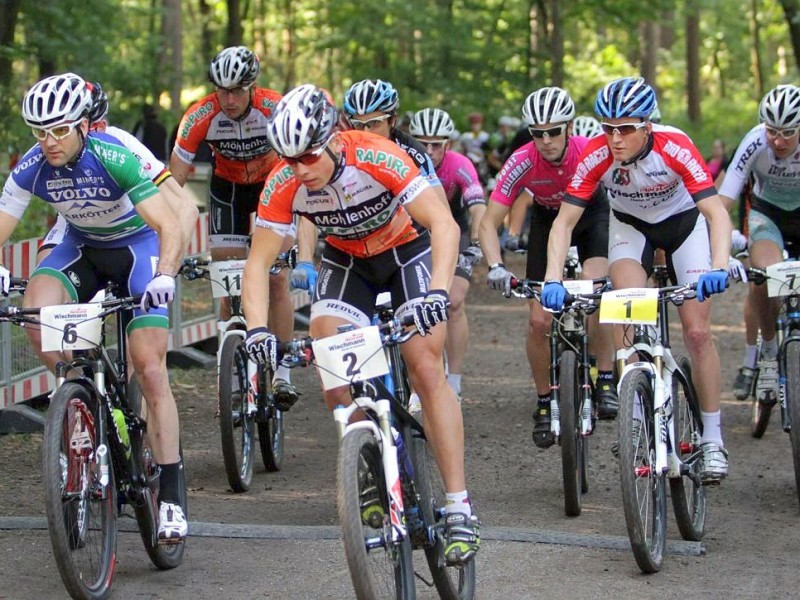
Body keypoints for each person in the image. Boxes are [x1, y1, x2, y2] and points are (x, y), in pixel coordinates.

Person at [242, 84, 480, 565]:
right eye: (290, 160)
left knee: (424, 366)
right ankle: (368, 460)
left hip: (407, 253)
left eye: (308, 156)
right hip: (348, 262)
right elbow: (256, 263)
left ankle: (458, 506)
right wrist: (257, 330)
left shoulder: (377, 154)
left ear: (332, 138)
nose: (301, 169)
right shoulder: (284, 180)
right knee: (330, 367)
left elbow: (444, 225)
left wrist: (436, 292)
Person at [0, 73, 188, 539]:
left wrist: (165, 273)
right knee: (35, 313)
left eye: (60, 129)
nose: (50, 141)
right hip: (81, 243)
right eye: (40, 132)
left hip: (136, 246)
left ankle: (171, 496)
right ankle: (81, 396)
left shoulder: (114, 155)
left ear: (84, 125)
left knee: (149, 367)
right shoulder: (31, 166)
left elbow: (167, 222)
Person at [540, 77, 731, 483]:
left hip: (685, 226)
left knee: (697, 332)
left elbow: (715, 212)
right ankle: (638, 413)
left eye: (625, 128)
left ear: (648, 125)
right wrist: (553, 277)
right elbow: (563, 224)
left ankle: (712, 438)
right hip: (631, 227)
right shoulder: (596, 155)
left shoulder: (674, 145)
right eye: (608, 128)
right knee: (626, 313)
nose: (615, 137)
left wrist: (718, 265)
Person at [478, 87, 618, 449]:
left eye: (554, 131)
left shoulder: (590, 150)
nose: (546, 140)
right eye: (538, 133)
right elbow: (488, 221)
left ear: (569, 127)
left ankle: (604, 375)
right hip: (546, 218)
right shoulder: (522, 159)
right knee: (539, 320)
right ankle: (544, 400)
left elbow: (622, 193)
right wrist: (495, 265)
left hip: (591, 216)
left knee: (597, 287)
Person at [169, 46, 301, 410]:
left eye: (237, 91)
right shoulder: (200, 115)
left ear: (252, 86)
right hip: (227, 189)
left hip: (271, 187)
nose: (229, 99)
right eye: (222, 91)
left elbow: (300, 159)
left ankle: (284, 371)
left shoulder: (274, 108)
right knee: (227, 274)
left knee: (276, 276)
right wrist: (162, 228)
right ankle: (229, 366)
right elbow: (172, 183)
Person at [39, 81, 198, 262]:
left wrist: (169, 266)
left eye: (87, 130)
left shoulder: (121, 144)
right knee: (43, 268)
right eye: (60, 131)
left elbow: (186, 207)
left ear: (101, 127)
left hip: (127, 231)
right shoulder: (50, 147)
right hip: (73, 227)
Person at [718, 84, 800, 408]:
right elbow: (722, 201)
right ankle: (767, 354)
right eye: (772, 131)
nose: (778, 141)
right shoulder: (754, 142)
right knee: (767, 277)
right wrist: (718, 249)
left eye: (788, 133)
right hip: (769, 214)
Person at [409, 107, 486, 400]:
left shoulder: (459, 164)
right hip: (415, 232)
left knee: (452, 302)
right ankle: (419, 374)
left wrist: (477, 240)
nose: (428, 151)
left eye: (436, 144)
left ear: (448, 145)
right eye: (421, 143)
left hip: (455, 230)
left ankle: (453, 379)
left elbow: (478, 206)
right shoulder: (400, 161)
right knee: (413, 302)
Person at [459, 112, 491, 185]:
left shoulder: (486, 137)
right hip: (469, 162)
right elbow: (462, 150)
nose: (475, 126)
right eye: (473, 123)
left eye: (477, 123)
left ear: (481, 124)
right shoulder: (465, 136)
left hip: (482, 163)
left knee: (483, 182)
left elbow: (489, 153)